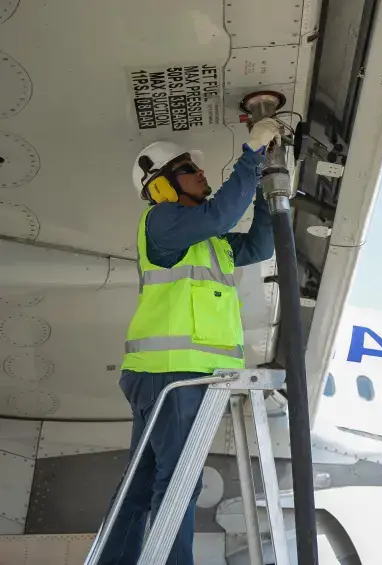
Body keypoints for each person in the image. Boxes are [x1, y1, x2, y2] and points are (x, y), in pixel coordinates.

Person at [98, 118, 283, 565]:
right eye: (187, 169)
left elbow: (260, 246)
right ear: (161, 186)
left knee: (143, 485)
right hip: (174, 374)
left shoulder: (209, 241)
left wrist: (267, 190)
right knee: (179, 481)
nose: (201, 173)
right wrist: (252, 155)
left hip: (170, 376)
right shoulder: (162, 222)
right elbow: (221, 213)